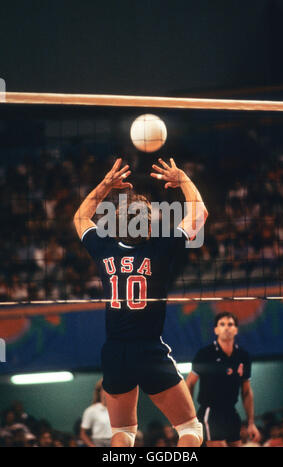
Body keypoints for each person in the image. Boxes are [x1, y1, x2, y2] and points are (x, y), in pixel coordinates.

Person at [74, 157, 208, 447]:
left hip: (115, 352)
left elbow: (79, 218)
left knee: (122, 433)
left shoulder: (103, 247)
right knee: (190, 429)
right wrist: (182, 179)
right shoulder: (161, 246)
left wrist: (106, 185)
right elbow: (200, 214)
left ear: (115, 224)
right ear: (148, 226)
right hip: (149, 350)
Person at [186, 311, 260, 447]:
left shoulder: (243, 356)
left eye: (230, 324)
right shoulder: (205, 354)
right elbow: (189, 384)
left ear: (236, 330)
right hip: (210, 411)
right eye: (222, 324)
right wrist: (189, 416)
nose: (226, 327)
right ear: (216, 329)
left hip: (231, 411)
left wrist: (251, 423)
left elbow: (247, 392)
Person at [80, 378, 112, 447]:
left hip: (115, 442)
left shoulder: (117, 409)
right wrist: (92, 446)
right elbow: (83, 434)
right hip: (98, 443)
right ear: (100, 392)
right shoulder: (91, 410)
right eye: (106, 390)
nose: (109, 392)